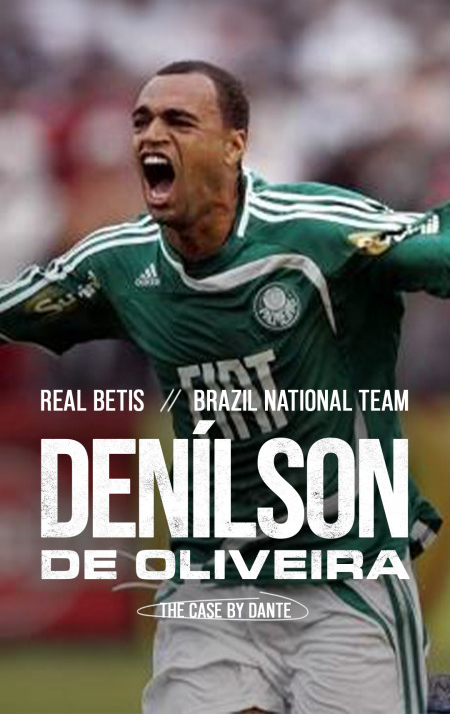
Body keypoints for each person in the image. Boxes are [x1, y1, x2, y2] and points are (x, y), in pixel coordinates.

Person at [1, 60, 448, 714]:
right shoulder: (119, 264)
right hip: (215, 585)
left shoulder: (314, 233)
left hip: (347, 574)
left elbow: (436, 244)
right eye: (142, 121)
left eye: (179, 121)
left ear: (235, 145)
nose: (153, 134)